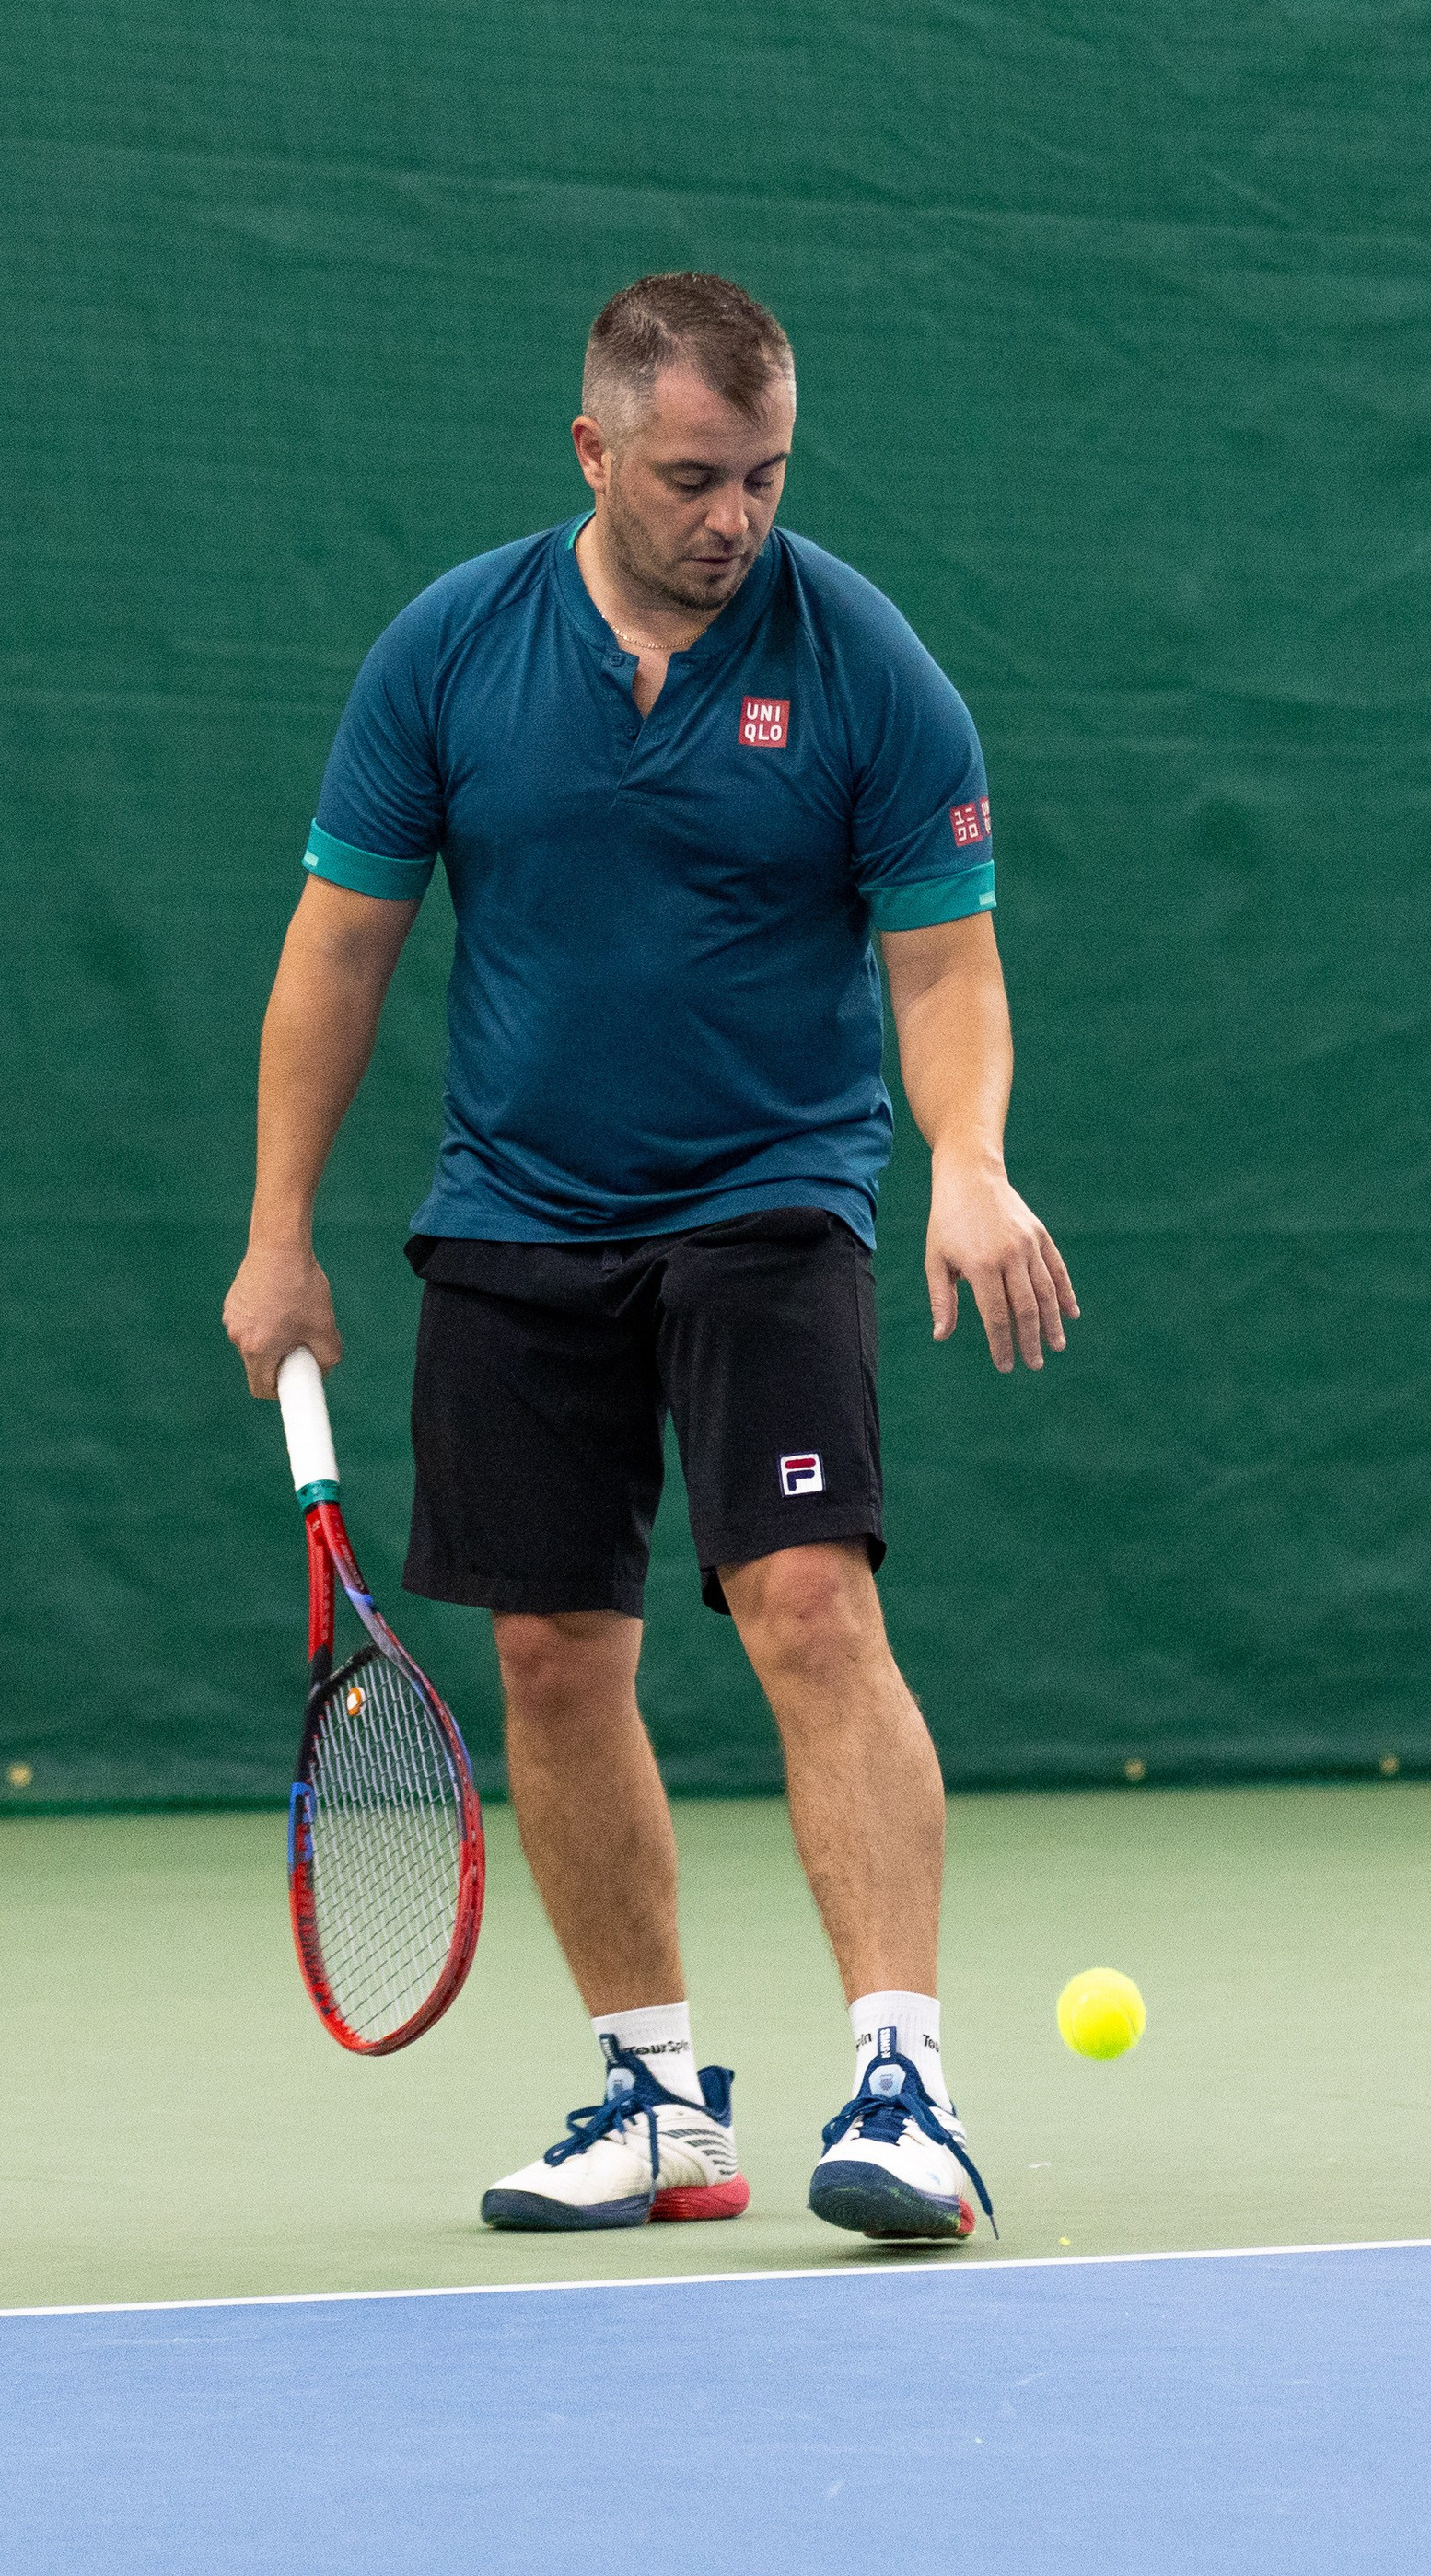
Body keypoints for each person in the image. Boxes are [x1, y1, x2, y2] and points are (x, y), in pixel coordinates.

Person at [222, 271, 1076, 2243]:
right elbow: (337, 946)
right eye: (693, 476)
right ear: (593, 450)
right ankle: (654, 2086)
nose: (734, 516)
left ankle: (903, 2084)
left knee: (804, 1603)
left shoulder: (860, 661)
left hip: (765, 1200)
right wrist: (277, 1229)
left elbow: (939, 957)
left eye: (764, 473)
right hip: (516, 1218)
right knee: (546, 1647)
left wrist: (968, 1156)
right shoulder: (450, 650)